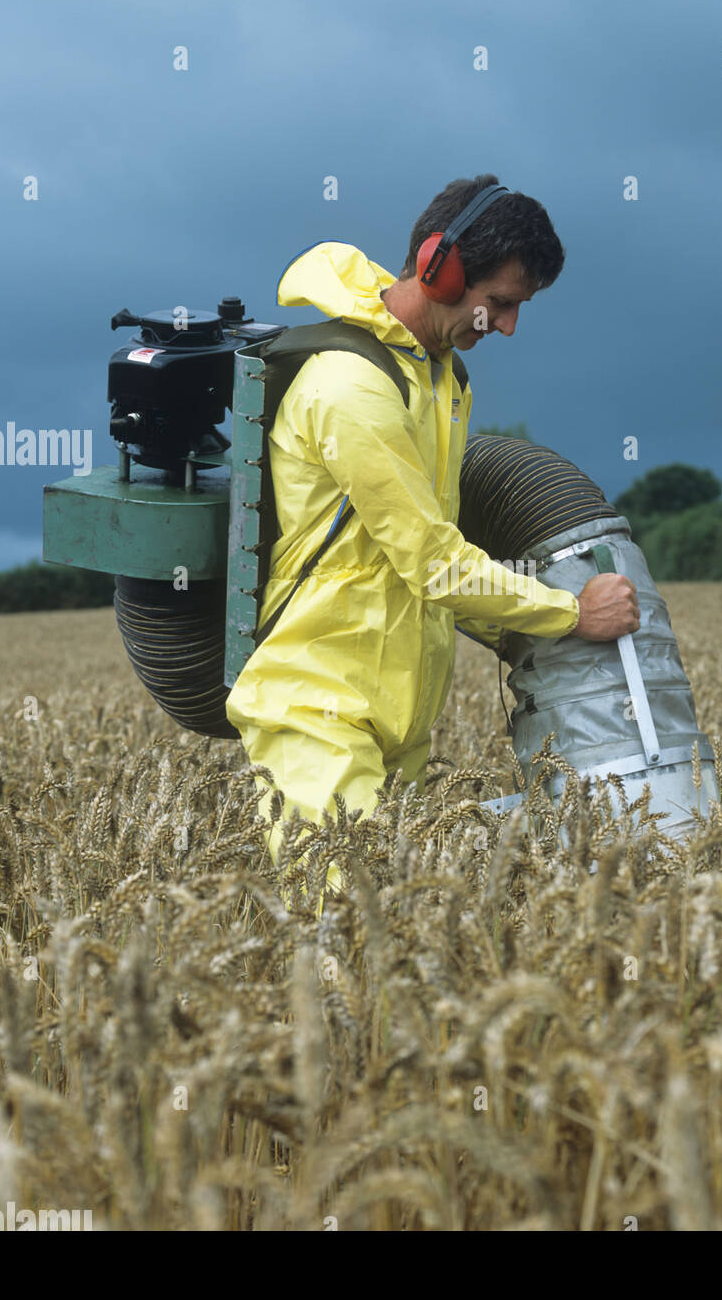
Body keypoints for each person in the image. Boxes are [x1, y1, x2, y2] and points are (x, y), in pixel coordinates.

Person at [225, 174, 639, 904]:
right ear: (440, 266)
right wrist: (571, 614)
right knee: (343, 929)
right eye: (502, 302)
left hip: (397, 721)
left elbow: (418, 560)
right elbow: (435, 562)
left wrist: (517, 630)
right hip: (315, 711)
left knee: (399, 943)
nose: (507, 326)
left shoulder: (438, 378)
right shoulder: (349, 387)